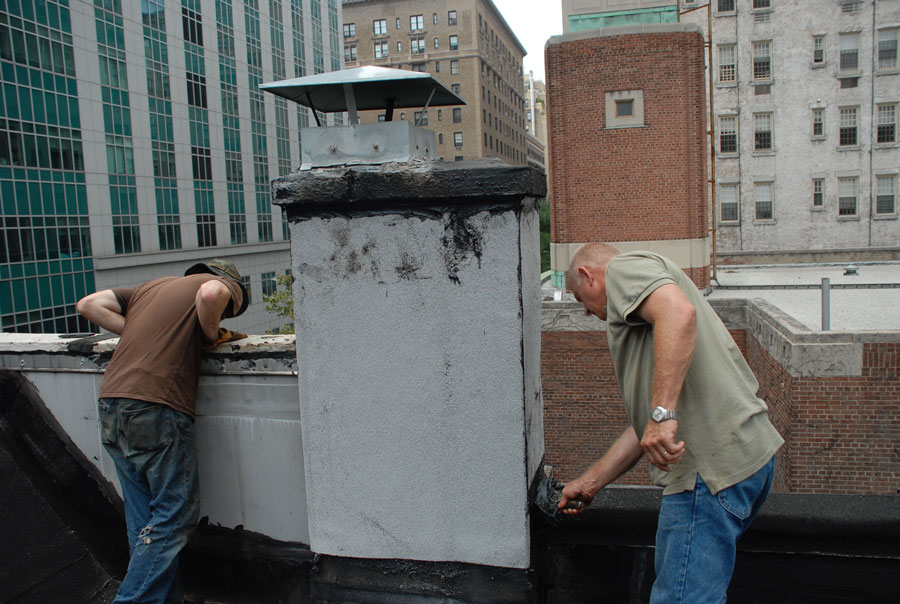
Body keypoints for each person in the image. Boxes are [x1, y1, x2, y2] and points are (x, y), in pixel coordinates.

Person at [557, 243, 783, 603]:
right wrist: (589, 483)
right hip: (746, 459)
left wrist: (662, 416)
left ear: (588, 276)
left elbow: (679, 312)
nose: (584, 312)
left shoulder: (622, 270)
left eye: (578, 297)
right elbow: (646, 429)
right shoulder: (648, 319)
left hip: (706, 475)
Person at [76, 259, 248, 604]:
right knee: (175, 513)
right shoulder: (219, 285)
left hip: (112, 402)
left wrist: (142, 334)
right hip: (156, 405)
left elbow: (88, 305)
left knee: (144, 523)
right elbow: (211, 293)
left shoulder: (149, 288)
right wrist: (209, 333)